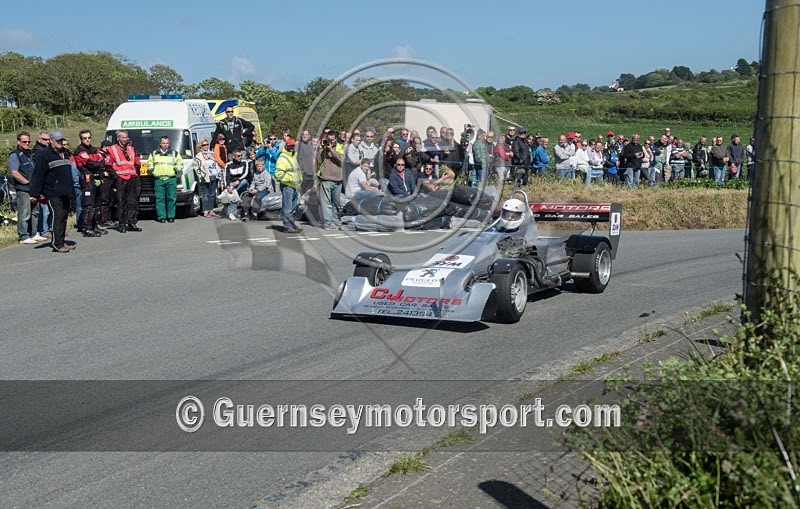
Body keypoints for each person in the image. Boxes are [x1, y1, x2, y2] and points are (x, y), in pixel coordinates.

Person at [30, 130, 74, 253]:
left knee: (64, 216)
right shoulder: (45, 154)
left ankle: (62, 240)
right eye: (58, 140)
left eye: (61, 140)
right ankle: (57, 244)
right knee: (58, 215)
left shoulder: (64, 153)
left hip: (65, 191)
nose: (60, 142)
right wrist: (35, 193)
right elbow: (38, 174)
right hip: (52, 191)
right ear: (52, 141)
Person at [8, 131, 44, 244]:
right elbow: (14, 172)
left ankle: (34, 233)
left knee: (35, 212)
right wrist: (27, 183)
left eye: (28, 141)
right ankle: (23, 236)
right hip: (23, 189)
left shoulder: (30, 154)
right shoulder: (15, 155)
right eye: (24, 141)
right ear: (18, 141)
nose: (27, 143)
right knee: (24, 213)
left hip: (34, 189)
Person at [73, 129, 108, 236]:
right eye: (85, 138)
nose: (87, 140)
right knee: (89, 204)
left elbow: (102, 160)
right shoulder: (80, 150)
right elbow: (90, 163)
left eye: (89, 138)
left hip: (96, 179)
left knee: (97, 203)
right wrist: (97, 163)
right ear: (81, 139)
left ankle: (95, 226)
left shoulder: (94, 149)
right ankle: (86, 228)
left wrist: (97, 162)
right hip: (87, 179)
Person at [107, 130, 141, 232]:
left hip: (132, 178)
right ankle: (121, 223)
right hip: (120, 179)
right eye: (123, 137)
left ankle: (131, 222)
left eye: (126, 137)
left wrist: (136, 172)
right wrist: (116, 177)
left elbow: (136, 162)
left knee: (132, 201)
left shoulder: (131, 149)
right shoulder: (112, 149)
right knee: (121, 202)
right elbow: (108, 165)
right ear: (118, 138)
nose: (125, 139)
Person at [147, 135, 183, 223]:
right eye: (163, 143)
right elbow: (149, 163)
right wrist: (152, 170)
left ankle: (171, 216)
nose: (165, 145)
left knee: (171, 198)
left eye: (167, 143)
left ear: (169, 143)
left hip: (171, 179)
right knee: (160, 199)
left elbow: (180, 163)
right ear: (160, 143)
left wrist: (175, 170)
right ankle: (161, 217)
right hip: (158, 179)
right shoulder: (154, 153)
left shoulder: (174, 153)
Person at [316, 132, 344, 230]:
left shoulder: (340, 147)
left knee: (336, 203)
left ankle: (336, 221)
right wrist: (322, 148)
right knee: (326, 203)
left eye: (332, 140)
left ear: (336, 139)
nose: (330, 141)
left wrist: (332, 150)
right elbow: (319, 160)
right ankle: (327, 223)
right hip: (326, 178)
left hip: (338, 179)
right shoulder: (322, 147)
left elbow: (342, 160)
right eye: (329, 139)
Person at [274, 138, 302, 233]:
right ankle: (287, 226)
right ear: (286, 146)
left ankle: (291, 224)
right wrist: (290, 179)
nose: (291, 147)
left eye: (293, 146)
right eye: (290, 146)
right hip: (287, 186)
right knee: (288, 207)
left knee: (293, 208)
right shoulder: (283, 157)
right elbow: (278, 175)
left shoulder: (293, 156)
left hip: (295, 186)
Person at [193, 140, 220, 217]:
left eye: (207, 144)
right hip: (205, 177)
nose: (206, 146)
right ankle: (205, 210)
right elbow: (196, 167)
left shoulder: (212, 154)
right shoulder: (198, 156)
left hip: (214, 176)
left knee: (212, 194)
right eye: (204, 145)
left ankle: (211, 210)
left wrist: (219, 173)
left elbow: (216, 164)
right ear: (200, 146)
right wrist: (200, 176)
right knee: (205, 194)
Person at [296, 130, 316, 195]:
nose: (304, 136)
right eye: (303, 134)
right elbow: (298, 159)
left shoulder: (312, 144)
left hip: (312, 173)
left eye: (306, 134)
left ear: (309, 136)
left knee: (310, 193)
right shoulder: (298, 146)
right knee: (302, 191)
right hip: (303, 173)